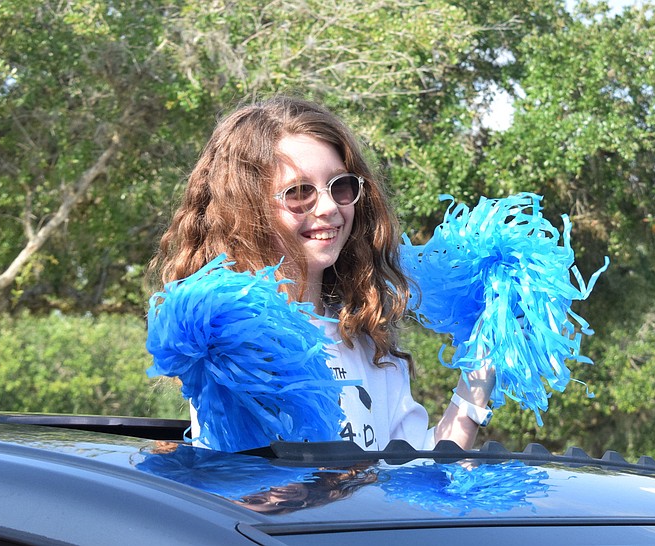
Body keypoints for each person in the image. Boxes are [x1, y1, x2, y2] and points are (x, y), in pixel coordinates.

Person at [148, 95, 494, 451]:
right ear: (247, 210)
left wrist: (479, 377)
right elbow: (255, 493)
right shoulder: (232, 340)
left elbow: (416, 477)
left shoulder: (367, 338)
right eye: (300, 192)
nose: (329, 207)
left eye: (340, 186)